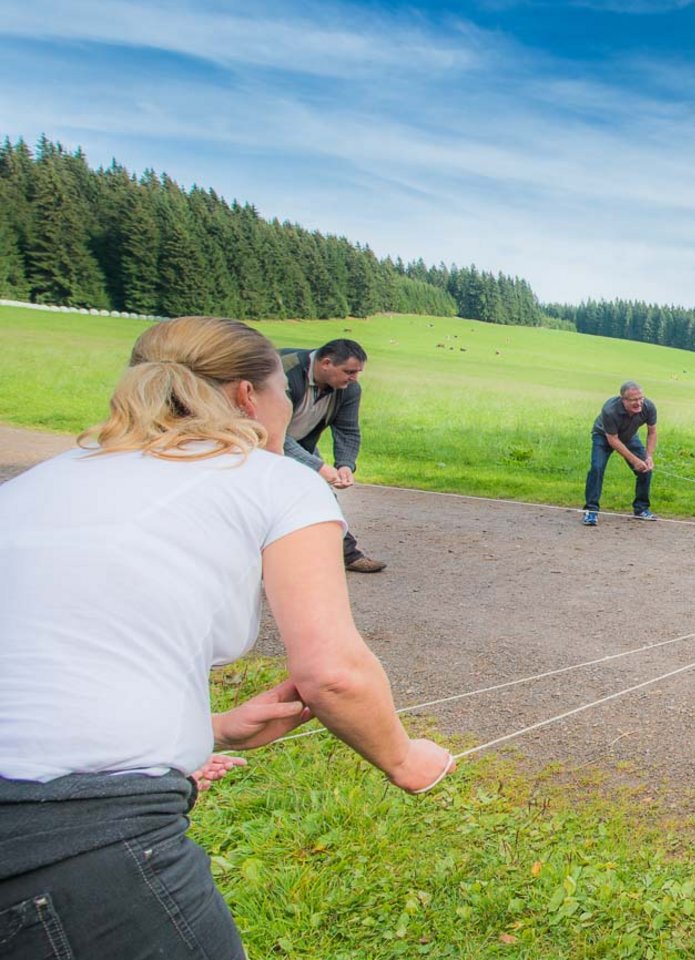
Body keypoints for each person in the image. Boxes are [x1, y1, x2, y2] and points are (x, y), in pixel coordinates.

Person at [0, 316, 453, 960]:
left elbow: (55, 650)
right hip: (70, 839)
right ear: (248, 398)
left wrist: (208, 728)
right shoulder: (274, 480)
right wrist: (408, 761)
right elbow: (332, 673)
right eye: (282, 394)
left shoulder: (48, 478)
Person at [279, 339, 384, 573]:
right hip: (253, 441)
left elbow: (347, 430)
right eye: (349, 371)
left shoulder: (348, 390)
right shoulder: (282, 373)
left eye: (357, 372)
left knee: (321, 495)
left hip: (296, 443)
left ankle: (346, 553)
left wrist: (345, 464)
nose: (354, 378)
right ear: (326, 363)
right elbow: (272, 432)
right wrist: (319, 467)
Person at [581, 380, 660, 526]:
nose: (639, 403)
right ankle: (591, 510)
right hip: (603, 436)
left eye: (640, 398)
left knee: (646, 469)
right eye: (633, 400)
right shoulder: (610, 410)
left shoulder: (648, 407)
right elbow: (613, 440)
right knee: (597, 468)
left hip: (629, 436)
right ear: (623, 399)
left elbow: (652, 432)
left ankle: (641, 509)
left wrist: (648, 457)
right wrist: (634, 460)